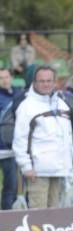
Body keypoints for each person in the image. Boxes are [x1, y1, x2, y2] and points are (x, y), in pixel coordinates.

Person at [13, 66, 73, 209]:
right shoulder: (26, 107)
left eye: (49, 80)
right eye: (41, 81)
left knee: (56, 213)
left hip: (60, 170)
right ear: (34, 82)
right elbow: (19, 140)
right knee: (38, 216)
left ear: (55, 82)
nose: (46, 84)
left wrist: (69, 163)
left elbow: (67, 136)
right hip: (38, 171)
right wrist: (26, 166)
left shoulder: (62, 104)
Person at [0, 67, 22, 210]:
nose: (4, 80)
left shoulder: (19, 94)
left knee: (21, 185)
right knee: (11, 184)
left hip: (21, 146)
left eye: (6, 77)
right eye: (1, 78)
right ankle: (7, 217)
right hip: (5, 147)